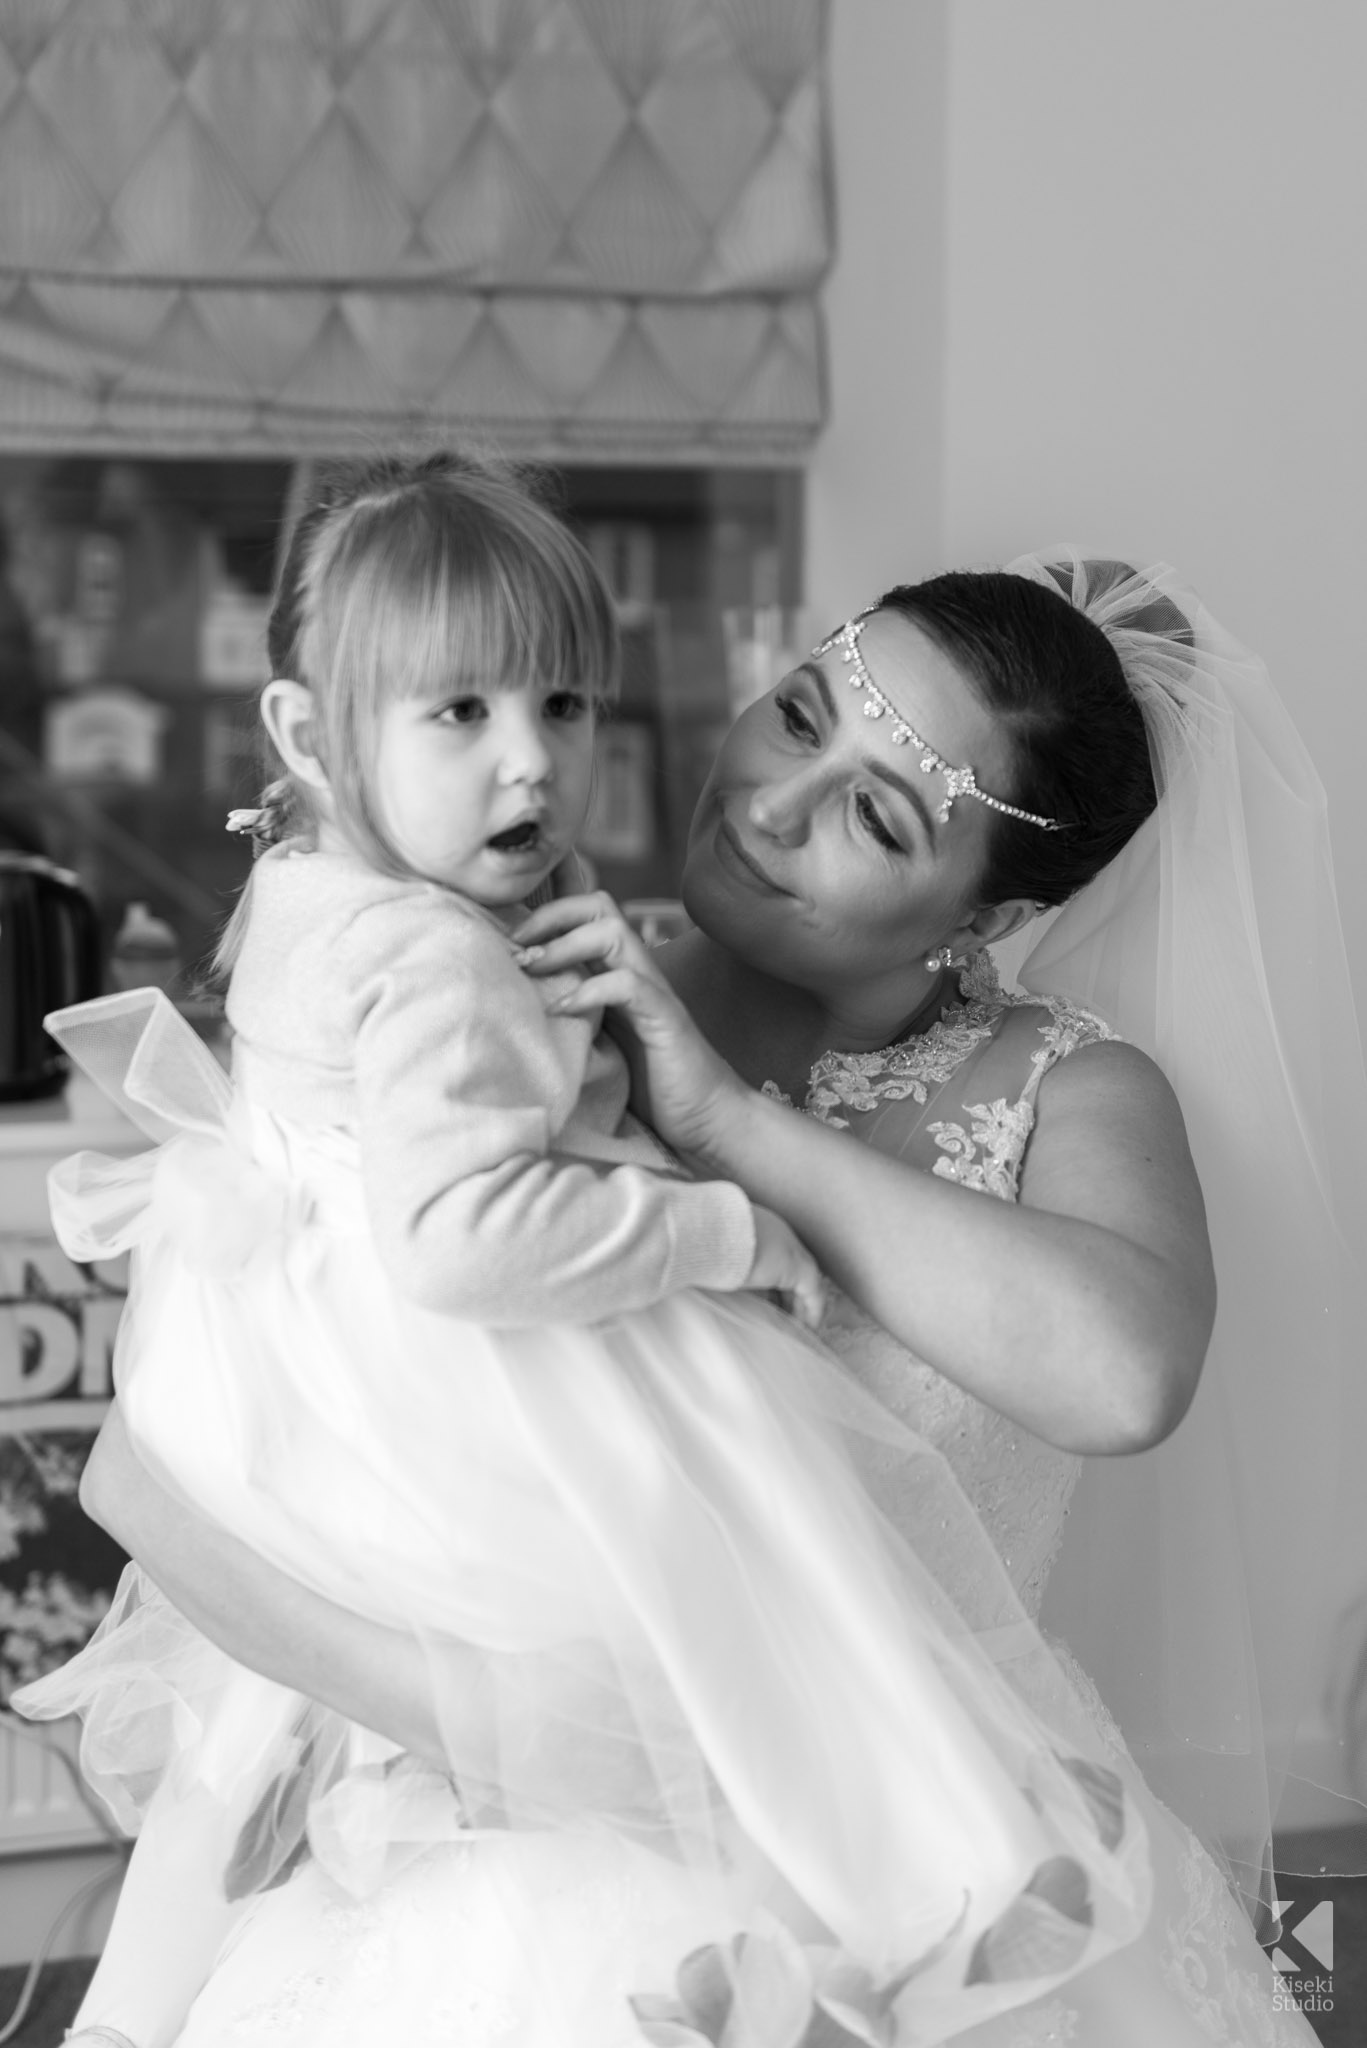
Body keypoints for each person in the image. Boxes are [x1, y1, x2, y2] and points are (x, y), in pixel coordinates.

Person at [57, 537, 1361, 2045]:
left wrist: (738, 1136)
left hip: (908, 1853)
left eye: (872, 815)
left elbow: (1125, 1375)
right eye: (800, 718)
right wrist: (494, 1730)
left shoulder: (1074, 1091)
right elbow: (153, 1468)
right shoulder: (494, 980)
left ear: (982, 918)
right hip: (465, 1849)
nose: (769, 806)